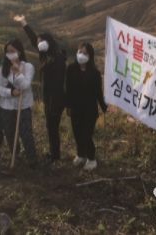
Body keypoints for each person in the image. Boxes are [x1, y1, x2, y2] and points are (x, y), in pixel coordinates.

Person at [13, 15, 66, 163]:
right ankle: (54, 153)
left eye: (42, 41)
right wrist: (24, 23)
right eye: (39, 42)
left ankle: (55, 155)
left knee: (53, 126)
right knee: (50, 126)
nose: (40, 43)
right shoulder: (44, 55)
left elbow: (61, 81)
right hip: (47, 97)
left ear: (49, 41)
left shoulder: (59, 57)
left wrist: (59, 100)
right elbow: (32, 38)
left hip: (57, 98)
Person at [0, 38, 38, 168]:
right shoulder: (2, 69)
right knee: (10, 133)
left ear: (19, 51)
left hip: (23, 106)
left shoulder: (28, 67)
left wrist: (18, 73)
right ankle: (16, 155)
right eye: (7, 52)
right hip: (6, 106)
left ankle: (32, 158)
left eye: (12, 51)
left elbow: (25, 85)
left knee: (26, 133)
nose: (10, 54)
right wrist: (11, 92)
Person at [66, 42, 108, 171]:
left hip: (90, 110)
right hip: (75, 108)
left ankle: (91, 158)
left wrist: (104, 107)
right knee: (77, 133)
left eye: (85, 53)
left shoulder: (95, 73)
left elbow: (98, 93)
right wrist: (68, 106)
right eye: (80, 52)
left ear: (90, 56)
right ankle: (81, 155)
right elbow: (68, 88)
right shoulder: (71, 69)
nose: (81, 55)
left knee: (86, 135)